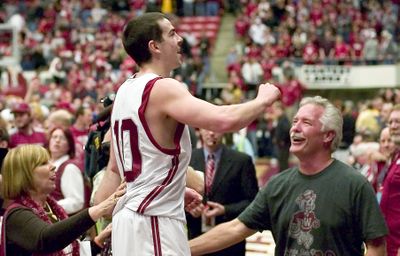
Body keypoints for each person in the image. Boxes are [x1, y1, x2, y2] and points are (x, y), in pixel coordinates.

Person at [93, 12, 280, 256]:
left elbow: (118, 169)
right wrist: (262, 100)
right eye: (172, 33)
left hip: (130, 220)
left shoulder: (124, 91)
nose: (180, 39)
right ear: (155, 46)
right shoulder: (162, 87)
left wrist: (174, 187)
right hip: (154, 222)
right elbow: (225, 120)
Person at [190, 96, 388, 256]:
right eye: (295, 121)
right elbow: (234, 229)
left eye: (306, 122)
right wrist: (178, 251)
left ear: (328, 135)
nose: (295, 127)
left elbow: (377, 246)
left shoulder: (354, 185)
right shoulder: (277, 185)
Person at [0, 144, 126, 255]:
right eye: (43, 163)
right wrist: (100, 209)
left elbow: (68, 251)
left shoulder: (51, 208)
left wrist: (99, 240)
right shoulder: (16, 215)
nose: (53, 167)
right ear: (23, 174)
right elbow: (46, 240)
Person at [186, 128, 258, 255]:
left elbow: (254, 204)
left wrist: (225, 209)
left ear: (224, 129)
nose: (211, 132)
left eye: (215, 128)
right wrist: (189, 208)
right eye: (206, 127)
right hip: (195, 237)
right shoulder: (187, 159)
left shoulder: (241, 161)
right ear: (200, 130)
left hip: (230, 242)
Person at [48, 127, 86, 215]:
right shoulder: (47, 164)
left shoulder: (70, 168)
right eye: (54, 137)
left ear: (69, 145)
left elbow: (77, 202)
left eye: (62, 138)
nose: (57, 140)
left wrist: (48, 207)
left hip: (64, 222)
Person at [381, 104, 400, 256]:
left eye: (398, 122)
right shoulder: (396, 157)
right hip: (389, 243)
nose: (393, 126)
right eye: (391, 122)